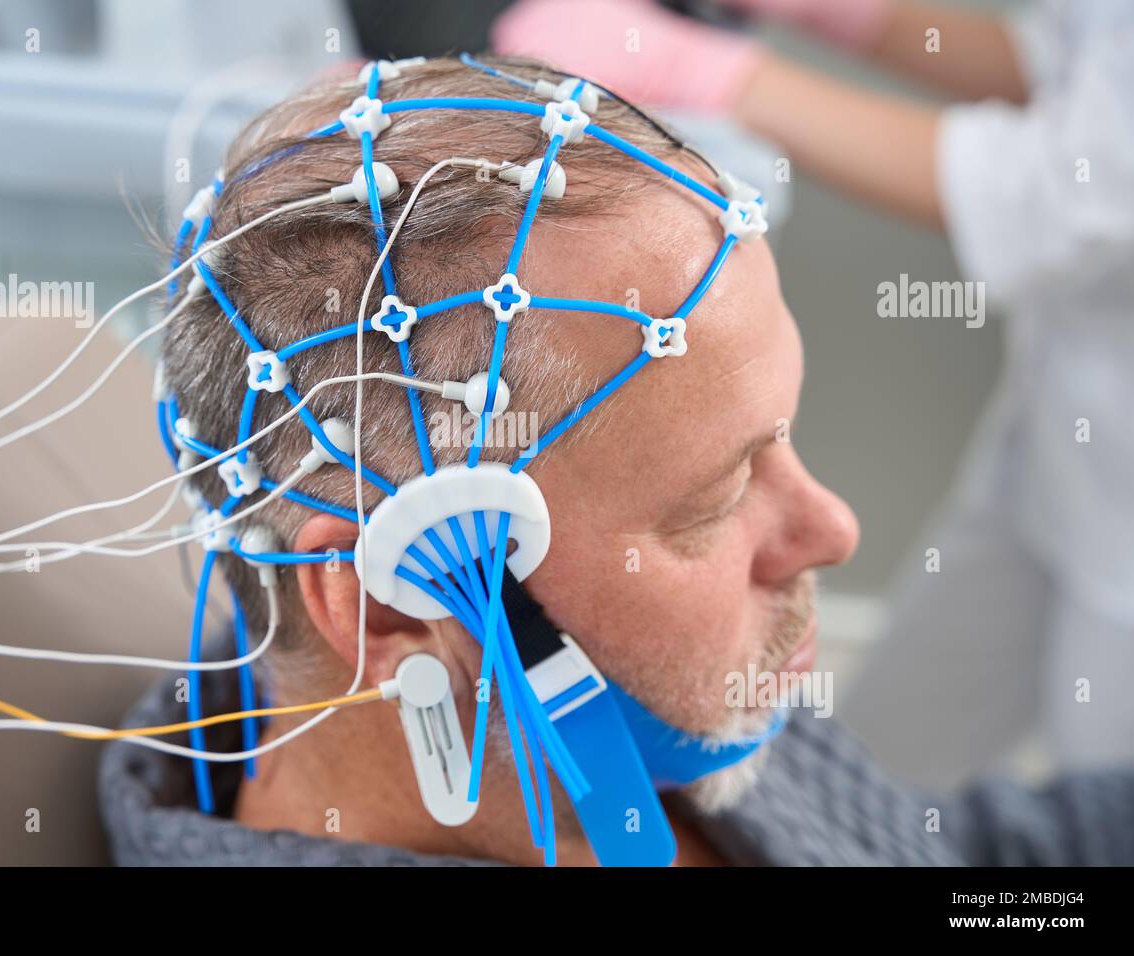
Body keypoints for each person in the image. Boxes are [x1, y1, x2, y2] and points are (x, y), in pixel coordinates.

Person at [99, 56, 1134, 866]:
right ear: (396, 609)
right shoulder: (642, 690)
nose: (830, 527)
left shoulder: (654, 712)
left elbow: (925, 846)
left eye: (782, 441)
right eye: (716, 497)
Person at [493, 0, 1134, 785]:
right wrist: (854, 18)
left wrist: (714, 75)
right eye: (721, 487)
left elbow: (1076, 193)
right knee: (879, 757)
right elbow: (1077, 70)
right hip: (1066, 436)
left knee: (1102, 803)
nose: (833, 530)